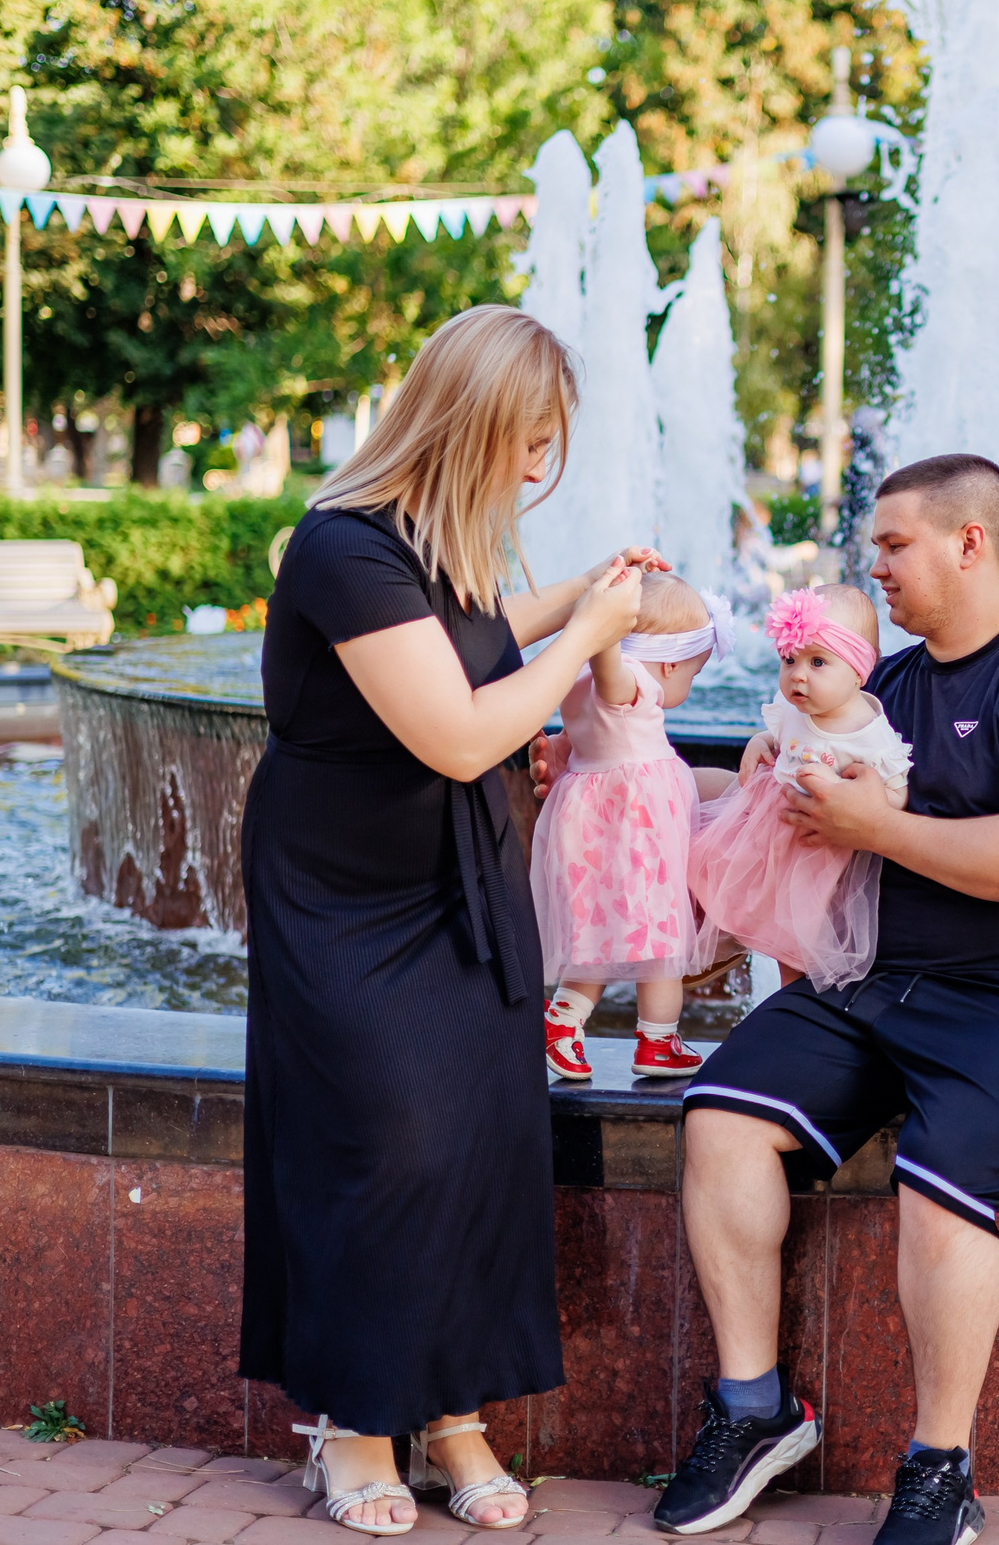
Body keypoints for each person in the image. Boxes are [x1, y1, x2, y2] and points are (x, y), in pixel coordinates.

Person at [657, 454, 999, 1545]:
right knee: (721, 1116)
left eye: (893, 544)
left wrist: (876, 827)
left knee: (938, 1180)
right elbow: (790, 801)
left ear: (969, 543)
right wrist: (639, 780)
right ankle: (754, 1409)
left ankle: (938, 1469)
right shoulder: (883, 688)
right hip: (881, 980)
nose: (872, 565)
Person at [243, 303, 661, 1535]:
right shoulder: (343, 547)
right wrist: (585, 636)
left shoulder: (436, 548)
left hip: (461, 871)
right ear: (467, 426)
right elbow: (460, 732)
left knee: (481, 1140)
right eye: (527, 442)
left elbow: (472, 640)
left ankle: (452, 1415)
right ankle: (354, 1427)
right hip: (344, 893)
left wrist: (588, 591)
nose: (536, 470)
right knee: (377, 1143)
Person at [529, 573, 733, 1085]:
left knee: (598, 932)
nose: (686, 687)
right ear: (670, 664)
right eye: (692, 674)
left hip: (595, 822)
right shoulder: (631, 683)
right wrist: (606, 633)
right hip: (637, 828)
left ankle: (563, 1021)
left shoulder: (578, 683)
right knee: (661, 937)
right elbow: (613, 676)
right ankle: (658, 1041)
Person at [689, 585, 914, 987]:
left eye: (818, 662)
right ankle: (702, 957)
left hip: (812, 851)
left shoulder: (867, 733)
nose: (798, 675)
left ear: (859, 670)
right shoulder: (793, 708)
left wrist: (866, 805)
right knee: (706, 876)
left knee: (793, 942)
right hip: (759, 830)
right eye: (789, 659)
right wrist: (760, 742)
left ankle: (790, 1001)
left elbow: (897, 792)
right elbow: (779, 735)